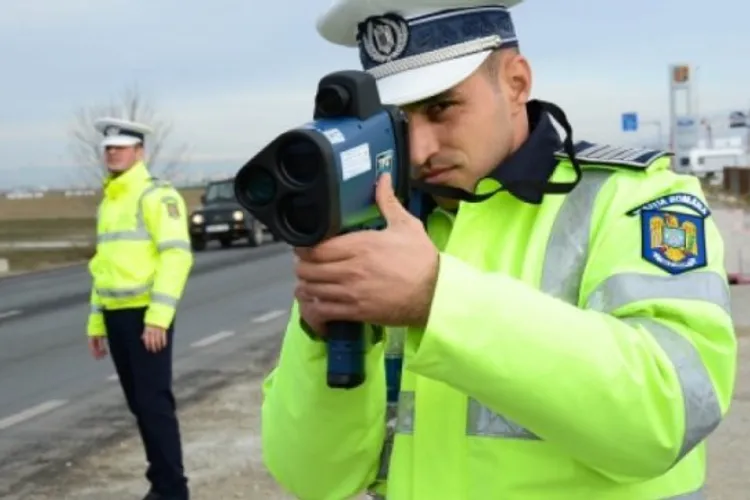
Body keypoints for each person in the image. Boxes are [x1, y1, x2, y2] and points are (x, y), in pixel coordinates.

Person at [261, 1, 738, 499]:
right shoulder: (380, 233)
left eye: (441, 107)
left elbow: (668, 415)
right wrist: (320, 340)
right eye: (398, 124)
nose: (420, 150)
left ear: (515, 82)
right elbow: (312, 478)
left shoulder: (635, 198)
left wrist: (435, 298)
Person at [86, 117, 193, 500]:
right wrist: (96, 323)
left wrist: (158, 318)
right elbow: (103, 267)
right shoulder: (110, 202)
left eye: (121, 146)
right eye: (108, 148)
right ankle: (161, 484)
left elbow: (177, 258)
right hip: (116, 315)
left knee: (153, 404)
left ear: (139, 151)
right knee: (139, 405)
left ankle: (174, 490)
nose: (112, 152)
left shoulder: (156, 196)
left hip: (146, 315)